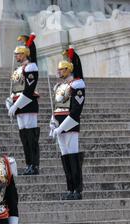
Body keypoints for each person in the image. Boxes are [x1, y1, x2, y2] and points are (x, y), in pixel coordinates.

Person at [50, 46, 85, 200]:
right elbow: (56, 108)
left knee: (72, 156)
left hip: (70, 124)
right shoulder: (60, 86)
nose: (59, 72)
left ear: (69, 70)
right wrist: (53, 123)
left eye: (62, 70)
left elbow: (76, 111)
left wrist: (62, 127)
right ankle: (70, 188)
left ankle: (77, 189)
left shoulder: (76, 85)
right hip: (59, 124)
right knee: (65, 157)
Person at [7, 33, 40, 175]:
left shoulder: (31, 68)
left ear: (25, 54)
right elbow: (16, 89)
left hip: (28, 105)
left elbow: (28, 90)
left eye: (18, 54)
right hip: (20, 106)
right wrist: (10, 100)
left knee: (31, 137)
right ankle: (28, 164)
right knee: (24, 138)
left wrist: (16, 105)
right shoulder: (18, 70)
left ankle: (34, 164)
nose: (16, 57)